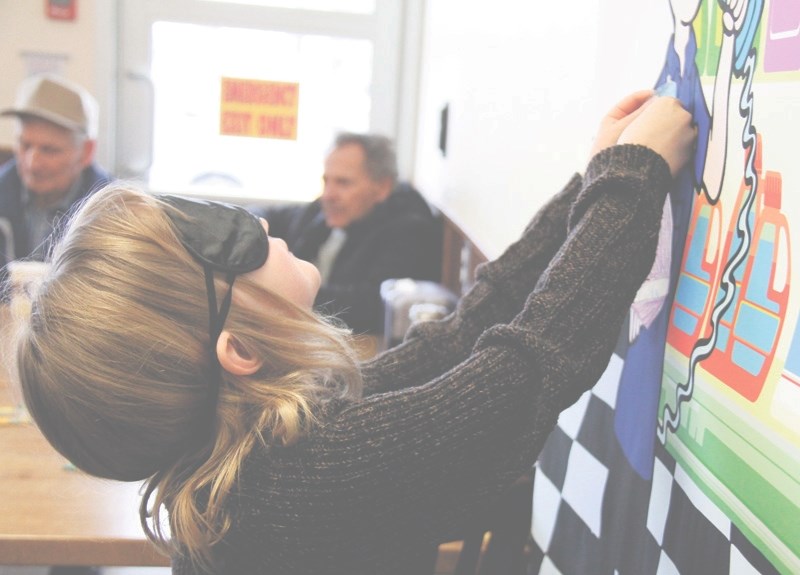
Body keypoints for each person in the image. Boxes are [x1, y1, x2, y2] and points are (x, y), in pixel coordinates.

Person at [8, 90, 695, 575]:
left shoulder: (264, 441)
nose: (259, 228)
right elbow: (519, 374)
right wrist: (632, 176)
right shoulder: (300, 480)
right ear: (239, 350)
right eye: (223, 245)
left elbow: (456, 340)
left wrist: (593, 177)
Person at [251, 132, 442, 334]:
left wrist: (281, 291)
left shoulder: (409, 230)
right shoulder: (325, 210)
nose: (328, 195)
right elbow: (268, 215)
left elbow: (369, 306)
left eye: (343, 183)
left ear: (382, 187)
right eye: (326, 181)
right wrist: (249, 227)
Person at [0, 74, 111, 269]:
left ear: (86, 152)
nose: (32, 164)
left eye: (49, 150)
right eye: (25, 145)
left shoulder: (113, 214)